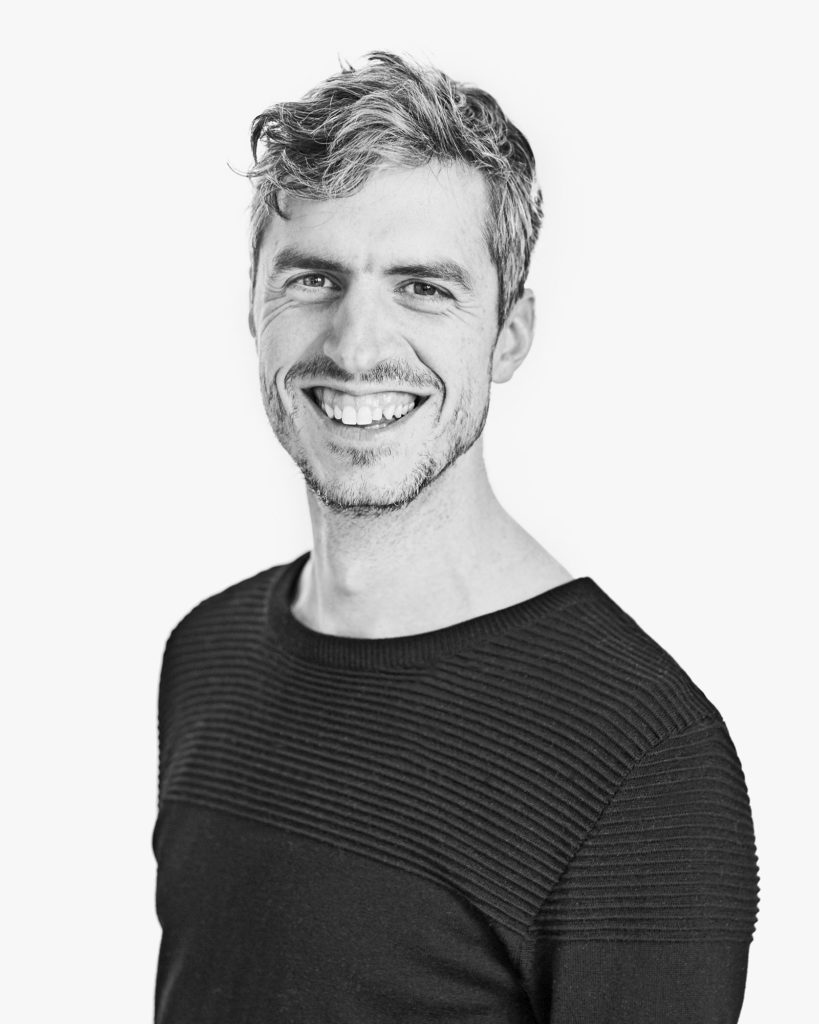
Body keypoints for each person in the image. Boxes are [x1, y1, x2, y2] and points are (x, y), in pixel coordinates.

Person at [152, 52, 759, 1022]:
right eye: (313, 278)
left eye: (424, 288)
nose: (356, 347)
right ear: (252, 307)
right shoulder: (207, 653)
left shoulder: (640, 759)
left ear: (509, 334)